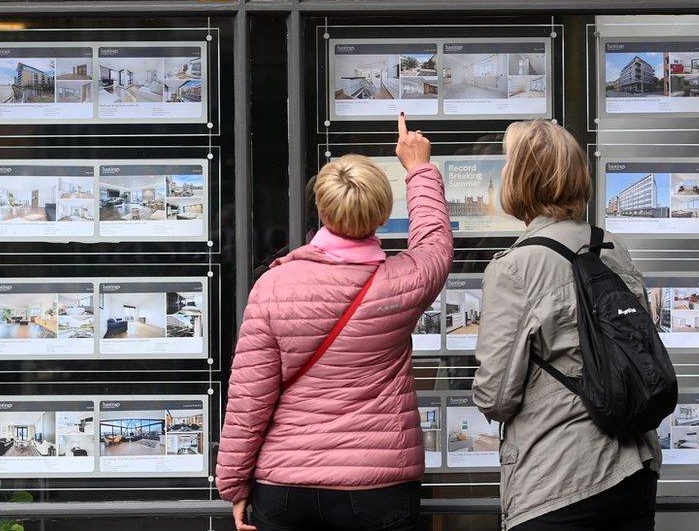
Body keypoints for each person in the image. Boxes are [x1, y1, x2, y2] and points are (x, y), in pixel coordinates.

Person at [216, 114, 454, 531]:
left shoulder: (273, 286)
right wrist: (418, 169)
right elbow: (434, 240)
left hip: (287, 487)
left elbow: (248, 399)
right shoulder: (401, 282)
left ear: (322, 210)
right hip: (378, 488)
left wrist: (235, 484)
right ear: (381, 215)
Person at [472, 119, 661, 530]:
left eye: (507, 165)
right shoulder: (612, 248)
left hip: (559, 477)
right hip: (635, 466)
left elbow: (496, 397)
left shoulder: (514, 268)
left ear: (520, 180)